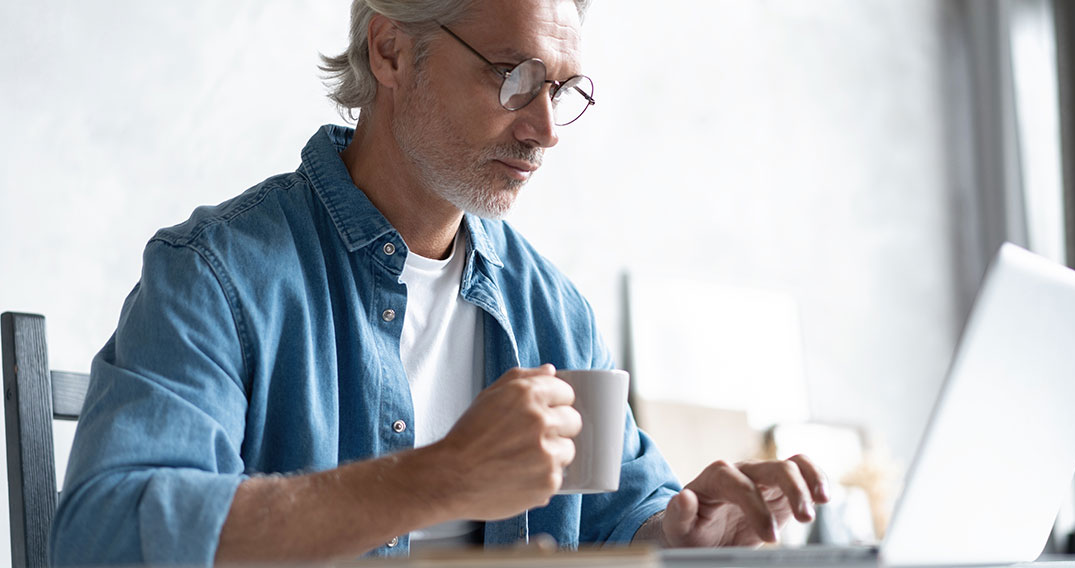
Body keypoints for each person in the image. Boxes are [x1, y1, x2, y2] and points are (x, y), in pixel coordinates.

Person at [50, 0, 829, 565]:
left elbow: (621, 509)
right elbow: (104, 537)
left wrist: (677, 534)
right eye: (514, 75)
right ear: (389, 50)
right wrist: (440, 478)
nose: (546, 129)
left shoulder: (554, 313)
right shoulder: (217, 274)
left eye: (562, 88)